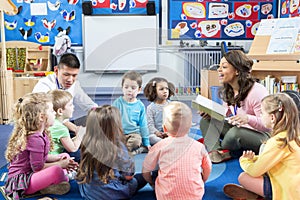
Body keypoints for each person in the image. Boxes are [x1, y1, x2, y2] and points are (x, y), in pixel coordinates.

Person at [223, 93, 300, 200]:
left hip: (286, 191)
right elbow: (276, 160)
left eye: (262, 114)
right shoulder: (293, 135)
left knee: (243, 177)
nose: (260, 116)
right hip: (295, 186)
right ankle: (256, 194)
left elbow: (255, 171)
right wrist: (254, 158)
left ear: (272, 117)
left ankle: (260, 196)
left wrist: (245, 161)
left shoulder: (278, 142)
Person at [199, 50, 270, 163]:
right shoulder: (229, 89)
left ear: (237, 71)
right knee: (206, 121)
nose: (219, 70)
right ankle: (216, 152)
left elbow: (268, 125)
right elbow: (226, 114)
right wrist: (211, 113)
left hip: (262, 136)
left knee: (233, 135)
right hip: (240, 128)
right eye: (219, 66)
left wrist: (248, 118)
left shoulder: (257, 91)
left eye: (224, 67)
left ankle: (229, 151)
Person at [4, 92, 78, 199]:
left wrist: (58, 158)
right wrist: (60, 164)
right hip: (22, 182)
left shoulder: (41, 133)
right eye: (52, 111)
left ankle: (55, 181)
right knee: (56, 170)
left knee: (64, 155)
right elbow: (38, 168)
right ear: (42, 117)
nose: (54, 114)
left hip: (30, 174)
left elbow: (41, 157)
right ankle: (62, 177)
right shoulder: (35, 139)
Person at [142, 101, 212, 200]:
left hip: (165, 196)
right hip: (194, 196)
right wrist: (203, 180)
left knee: (156, 171)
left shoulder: (159, 146)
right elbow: (208, 168)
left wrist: (151, 183)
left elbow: (145, 171)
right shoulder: (199, 146)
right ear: (189, 127)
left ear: (164, 128)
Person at [76, 105, 147, 200]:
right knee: (145, 175)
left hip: (90, 193)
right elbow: (128, 176)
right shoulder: (119, 148)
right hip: (114, 193)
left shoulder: (86, 143)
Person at [32, 53, 98, 132]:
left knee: (94, 119)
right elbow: (41, 114)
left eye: (74, 75)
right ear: (56, 71)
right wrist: (75, 129)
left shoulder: (74, 84)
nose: (70, 80)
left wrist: (101, 113)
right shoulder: (44, 85)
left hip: (63, 124)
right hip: (47, 127)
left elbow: (88, 104)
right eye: (66, 75)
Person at [112, 70, 150, 155]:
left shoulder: (140, 106)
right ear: (122, 88)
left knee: (136, 141)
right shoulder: (117, 103)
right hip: (119, 134)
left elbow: (143, 125)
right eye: (126, 87)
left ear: (139, 89)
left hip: (134, 134)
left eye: (133, 88)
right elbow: (111, 120)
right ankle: (131, 151)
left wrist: (146, 142)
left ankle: (126, 151)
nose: (129, 90)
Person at [48, 89, 85, 163]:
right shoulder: (61, 128)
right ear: (60, 111)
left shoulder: (52, 123)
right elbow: (73, 148)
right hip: (55, 158)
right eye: (70, 105)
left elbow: (66, 142)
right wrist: (80, 134)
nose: (73, 107)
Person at [143, 77, 175, 145]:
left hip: (170, 133)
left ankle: (167, 143)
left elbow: (175, 121)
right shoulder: (150, 108)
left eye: (166, 88)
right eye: (161, 89)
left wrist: (170, 132)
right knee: (151, 138)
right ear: (154, 91)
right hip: (157, 135)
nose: (165, 91)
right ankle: (165, 143)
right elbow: (150, 125)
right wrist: (157, 133)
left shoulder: (172, 105)